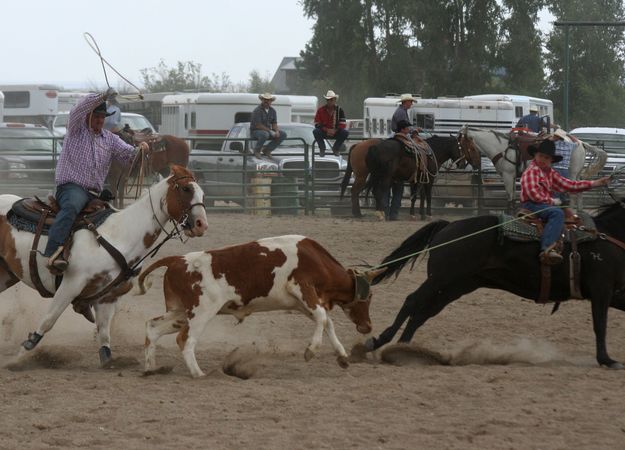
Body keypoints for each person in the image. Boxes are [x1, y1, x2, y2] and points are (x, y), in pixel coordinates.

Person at [44, 88, 149, 273]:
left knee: (113, 218)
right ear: (88, 116)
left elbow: (127, 154)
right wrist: (102, 96)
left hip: (94, 192)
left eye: (102, 117)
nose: (100, 120)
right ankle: (52, 253)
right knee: (71, 208)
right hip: (71, 187)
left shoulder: (109, 139)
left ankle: (113, 261)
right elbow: (78, 109)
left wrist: (140, 150)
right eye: (97, 116)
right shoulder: (76, 130)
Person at [520, 139, 610, 264]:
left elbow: (569, 185)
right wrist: (552, 201)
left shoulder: (549, 173)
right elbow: (533, 194)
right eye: (540, 156)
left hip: (542, 204)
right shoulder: (532, 170)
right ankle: (547, 248)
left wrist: (595, 183)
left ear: (551, 160)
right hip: (532, 204)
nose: (542, 159)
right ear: (535, 155)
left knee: (567, 212)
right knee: (557, 213)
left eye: (546, 158)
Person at [313, 90, 349, 157]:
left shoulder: (340, 110)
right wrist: (326, 130)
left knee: (345, 132)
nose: (329, 101)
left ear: (335, 100)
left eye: (331, 99)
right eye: (327, 100)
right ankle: (322, 149)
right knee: (316, 131)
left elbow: (343, 124)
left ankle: (335, 148)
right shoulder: (320, 110)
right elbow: (317, 124)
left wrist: (335, 130)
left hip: (336, 132)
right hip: (324, 131)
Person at [250, 93, 286, 158]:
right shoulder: (257, 110)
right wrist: (270, 131)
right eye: (265, 99)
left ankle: (267, 150)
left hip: (267, 131)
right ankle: (257, 150)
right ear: (262, 100)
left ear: (271, 101)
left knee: (283, 134)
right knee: (265, 134)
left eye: (268, 100)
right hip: (255, 132)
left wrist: (277, 131)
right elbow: (258, 125)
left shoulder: (273, 111)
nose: (266, 101)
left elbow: (274, 123)